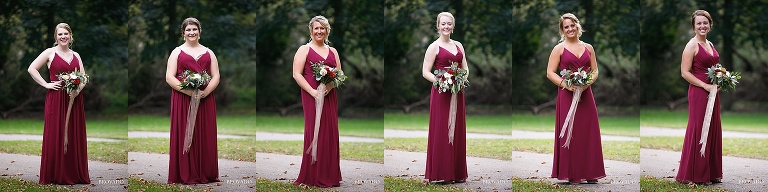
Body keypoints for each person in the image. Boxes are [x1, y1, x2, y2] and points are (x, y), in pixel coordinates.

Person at [545, 13, 605, 184]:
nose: (570, 29)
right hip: (566, 95)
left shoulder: (589, 48)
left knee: (588, 131)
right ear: (562, 30)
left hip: (586, 95)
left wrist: (587, 83)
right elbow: (550, 72)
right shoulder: (559, 49)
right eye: (566, 27)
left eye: (572, 25)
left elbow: (595, 70)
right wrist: (566, 84)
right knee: (570, 134)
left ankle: (591, 172)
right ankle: (572, 173)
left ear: (577, 26)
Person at [27, 22, 90, 185]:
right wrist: (46, 84)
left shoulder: (76, 55)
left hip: (74, 99)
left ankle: (74, 173)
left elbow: (83, 77)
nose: (63, 37)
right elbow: (32, 68)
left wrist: (78, 90)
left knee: (73, 133)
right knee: (56, 132)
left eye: (66, 34)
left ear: (70, 36)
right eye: (60, 34)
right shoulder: (50, 52)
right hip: (56, 99)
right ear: (56, 37)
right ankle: (55, 173)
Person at [165, 17, 221, 184]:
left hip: (205, 99)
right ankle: (185, 172)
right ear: (183, 33)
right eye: (188, 30)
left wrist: (205, 92)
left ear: (199, 31)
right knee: (184, 133)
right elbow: (169, 77)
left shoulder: (209, 52)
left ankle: (206, 172)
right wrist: (190, 92)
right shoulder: (176, 52)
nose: (191, 32)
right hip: (183, 98)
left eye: (194, 29)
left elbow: (216, 75)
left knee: (205, 133)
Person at [291, 15, 343, 187]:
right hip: (310, 95)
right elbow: (296, 74)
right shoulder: (304, 49)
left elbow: (339, 75)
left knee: (330, 131)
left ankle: (330, 175)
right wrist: (313, 92)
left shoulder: (333, 51)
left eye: (322, 28)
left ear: (327, 30)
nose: (319, 31)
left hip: (329, 96)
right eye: (316, 28)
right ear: (311, 31)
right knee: (314, 131)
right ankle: (312, 174)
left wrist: (328, 88)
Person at [421, 12, 469, 183]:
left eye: (449, 24)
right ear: (438, 26)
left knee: (457, 129)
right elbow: (425, 71)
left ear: (453, 26)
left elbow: (465, 67)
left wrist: (461, 77)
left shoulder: (459, 45)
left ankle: (455, 173)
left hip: (457, 92)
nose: (446, 26)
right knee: (442, 129)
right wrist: (441, 81)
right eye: (443, 24)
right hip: (441, 93)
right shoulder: (434, 46)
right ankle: (441, 173)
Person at [676, 10, 722, 185]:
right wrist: (705, 85)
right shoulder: (691, 45)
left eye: (705, 23)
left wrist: (720, 79)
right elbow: (684, 72)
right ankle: (696, 174)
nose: (702, 26)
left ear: (710, 24)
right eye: (699, 23)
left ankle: (711, 171)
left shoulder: (710, 43)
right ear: (694, 27)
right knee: (699, 128)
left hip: (713, 91)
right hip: (699, 90)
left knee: (712, 128)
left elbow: (714, 66)